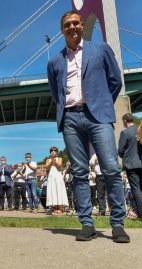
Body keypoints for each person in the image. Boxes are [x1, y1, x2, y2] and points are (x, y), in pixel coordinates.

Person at [47, 10, 130, 243]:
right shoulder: (55, 61)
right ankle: (86, 223)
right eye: (67, 25)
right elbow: (57, 93)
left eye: (75, 23)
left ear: (82, 25)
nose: (72, 27)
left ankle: (117, 224)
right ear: (62, 30)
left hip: (98, 118)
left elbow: (115, 80)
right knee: (80, 172)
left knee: (111, 168)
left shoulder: (101, 49)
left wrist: (102, 103)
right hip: (71, 119)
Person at [118, 113, 142, 220]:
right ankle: (137, 210)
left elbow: (120, 151)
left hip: (131, 165)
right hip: (140, 162)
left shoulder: (125, 132)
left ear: (124, 121)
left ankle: (140, 213)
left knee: (136, 189)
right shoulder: (139, 130)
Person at [45, 147, 69, 215]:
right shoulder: (48, 160)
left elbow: (59, 165)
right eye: (51, 151)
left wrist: (54, 160)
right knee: (53, 191)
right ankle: (55, 207)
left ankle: (60, 208)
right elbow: (46, 167)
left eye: (54, 151)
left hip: (58, 176)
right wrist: (51, 161)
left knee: (59, 190)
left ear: (57, 152)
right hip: (51, 177)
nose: (53, 152)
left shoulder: (60, 158)